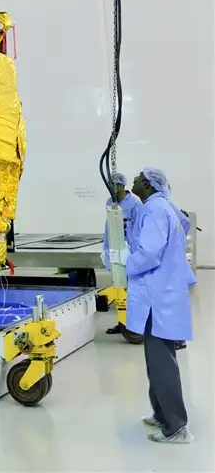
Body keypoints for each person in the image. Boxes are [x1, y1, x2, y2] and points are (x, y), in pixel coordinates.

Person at [122, 167, 195, 444]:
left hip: (157, 298)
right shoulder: (162, 207)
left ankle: (176, 427)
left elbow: (149, 253)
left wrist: (123, 265)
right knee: (156, 361)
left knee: (161, 362)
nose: (134, 181)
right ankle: (162, 413)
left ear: (150, 185)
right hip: (162, 294)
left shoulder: (154, 210)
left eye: (139, 178)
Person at [101, 172, 141, 336]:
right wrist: (105, 248)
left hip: (128, 250)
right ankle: (122, 322)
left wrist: (134, 251)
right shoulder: (110, 202)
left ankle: (134, 324)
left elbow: (137, 229)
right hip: (114, 248)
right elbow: (108, 226)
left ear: (122, 186)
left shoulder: (134, 204)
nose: (111, 188)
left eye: (114, 185)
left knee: (131, 290)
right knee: (118, 286)